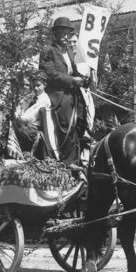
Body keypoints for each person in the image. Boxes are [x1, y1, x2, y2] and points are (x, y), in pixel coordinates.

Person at [39, 16, 89, 165]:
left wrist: (83, 79)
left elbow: (73, 72)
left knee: (82, 118)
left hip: (71, 92)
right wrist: (73, 81)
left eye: (68, 33)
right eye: (63, 33)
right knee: (68, 124)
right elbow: (50, 74)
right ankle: (68, 162)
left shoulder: (69, 51)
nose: (66, 36)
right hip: (57, 94)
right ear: (55, 34)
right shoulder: (48, 50)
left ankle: (79, 156)